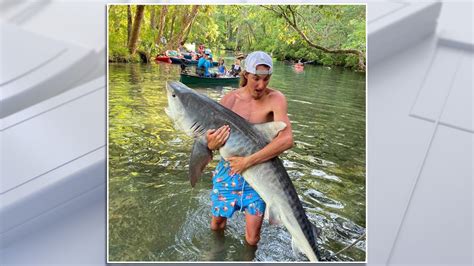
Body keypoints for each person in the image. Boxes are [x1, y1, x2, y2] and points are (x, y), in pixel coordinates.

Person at [206, 51, 294, 247]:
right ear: (246, 74)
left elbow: (286, 140)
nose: (261, 85)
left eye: (266, 79)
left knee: (253, 237)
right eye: (256, 78)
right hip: (228, 170)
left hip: (260, 172)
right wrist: (211, 143)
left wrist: (248, 161)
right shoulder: (230, 100)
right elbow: (210, 143)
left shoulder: (276, 99)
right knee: (217, 225)